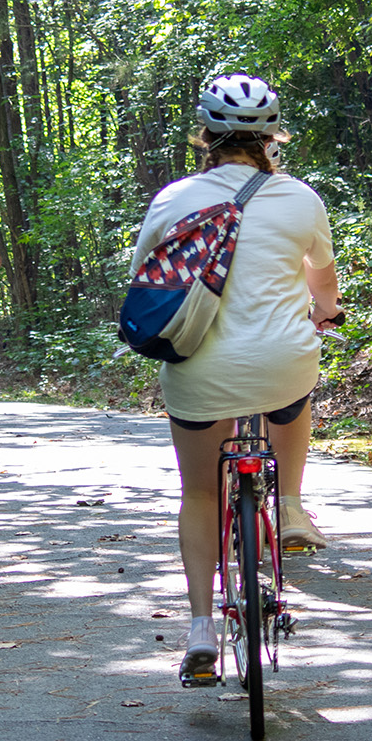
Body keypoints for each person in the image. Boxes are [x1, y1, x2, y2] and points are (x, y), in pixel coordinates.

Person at [128, 73, 343, 681]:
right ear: (271, 135)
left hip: (198, 367)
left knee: (199, 494)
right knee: (293, 390)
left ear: (207, 135)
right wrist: (324, 311)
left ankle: (201, 629)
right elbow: (322, 284)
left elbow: (149, 271)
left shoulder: (174, 198)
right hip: (281, 361)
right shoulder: (301, 199)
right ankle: (294, 506)